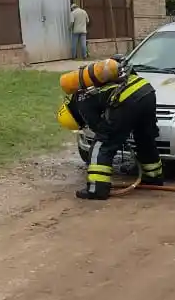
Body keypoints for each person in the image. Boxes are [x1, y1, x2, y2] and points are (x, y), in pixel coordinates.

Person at [56, 62, 164, 200]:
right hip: (146, 91)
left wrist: (116, 134)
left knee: (102, 145)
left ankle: (97, 188)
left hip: (127, 99)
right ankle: (154, 177)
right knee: (144, 138)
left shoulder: (82, 101)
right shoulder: (89, 88)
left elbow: (101, 129)